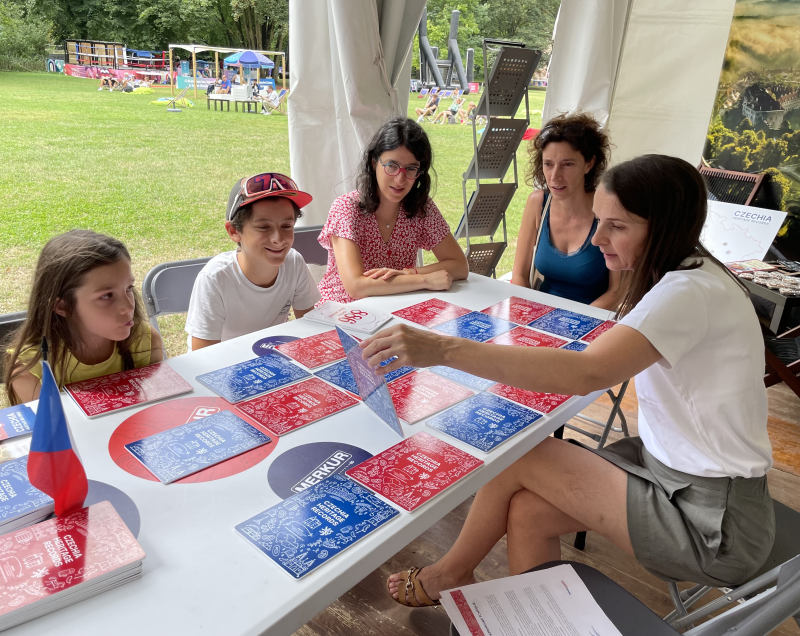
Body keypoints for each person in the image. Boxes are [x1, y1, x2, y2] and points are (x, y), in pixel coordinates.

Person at [360, 155, 774, 606]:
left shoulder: (688, 292)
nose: (598, 239)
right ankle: (527, 614)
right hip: (679, 476)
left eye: (616, 226)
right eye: (600, 222)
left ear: (665, 227)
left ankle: (451, 572)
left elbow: (585, 373)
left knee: (521, 452)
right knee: (528, 510)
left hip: (714, 524)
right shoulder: (692, 276)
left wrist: (440, 349)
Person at [317, 117, 469, 304]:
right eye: (392, 166)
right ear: (374, 162)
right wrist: (424, 279)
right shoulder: (347, 208)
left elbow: (460, 266)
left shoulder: (421, 207)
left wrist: (408, 273)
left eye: (411, 169)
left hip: (395, 309)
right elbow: (356, 287)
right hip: (341, 313)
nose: (400, 179)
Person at [4, 230, 164, 405]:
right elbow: (53, 431)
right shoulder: (31, 370)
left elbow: (151, 411)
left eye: (128, 288)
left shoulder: (145, 343)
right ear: (62, 306)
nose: (128, 306)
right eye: (107, 296)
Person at [185, 173, 321, 351]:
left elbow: (310, 328)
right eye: (264, 227)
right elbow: (203, 357)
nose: (278, 239)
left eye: (287, 226)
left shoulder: (293, 262)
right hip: (223, 365)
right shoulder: (215, 279)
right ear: (234, 231)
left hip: (271, 359)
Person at [511, 113, 625, 309]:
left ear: (589, 164)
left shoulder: (611, 210)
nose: (555, 176)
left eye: (567, 164)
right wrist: (529, 315)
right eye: (548, 164)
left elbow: (617, 291)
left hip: (592, 320)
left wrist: (576, 325)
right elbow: (519, 275)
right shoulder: (538, 203)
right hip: (539, 315)